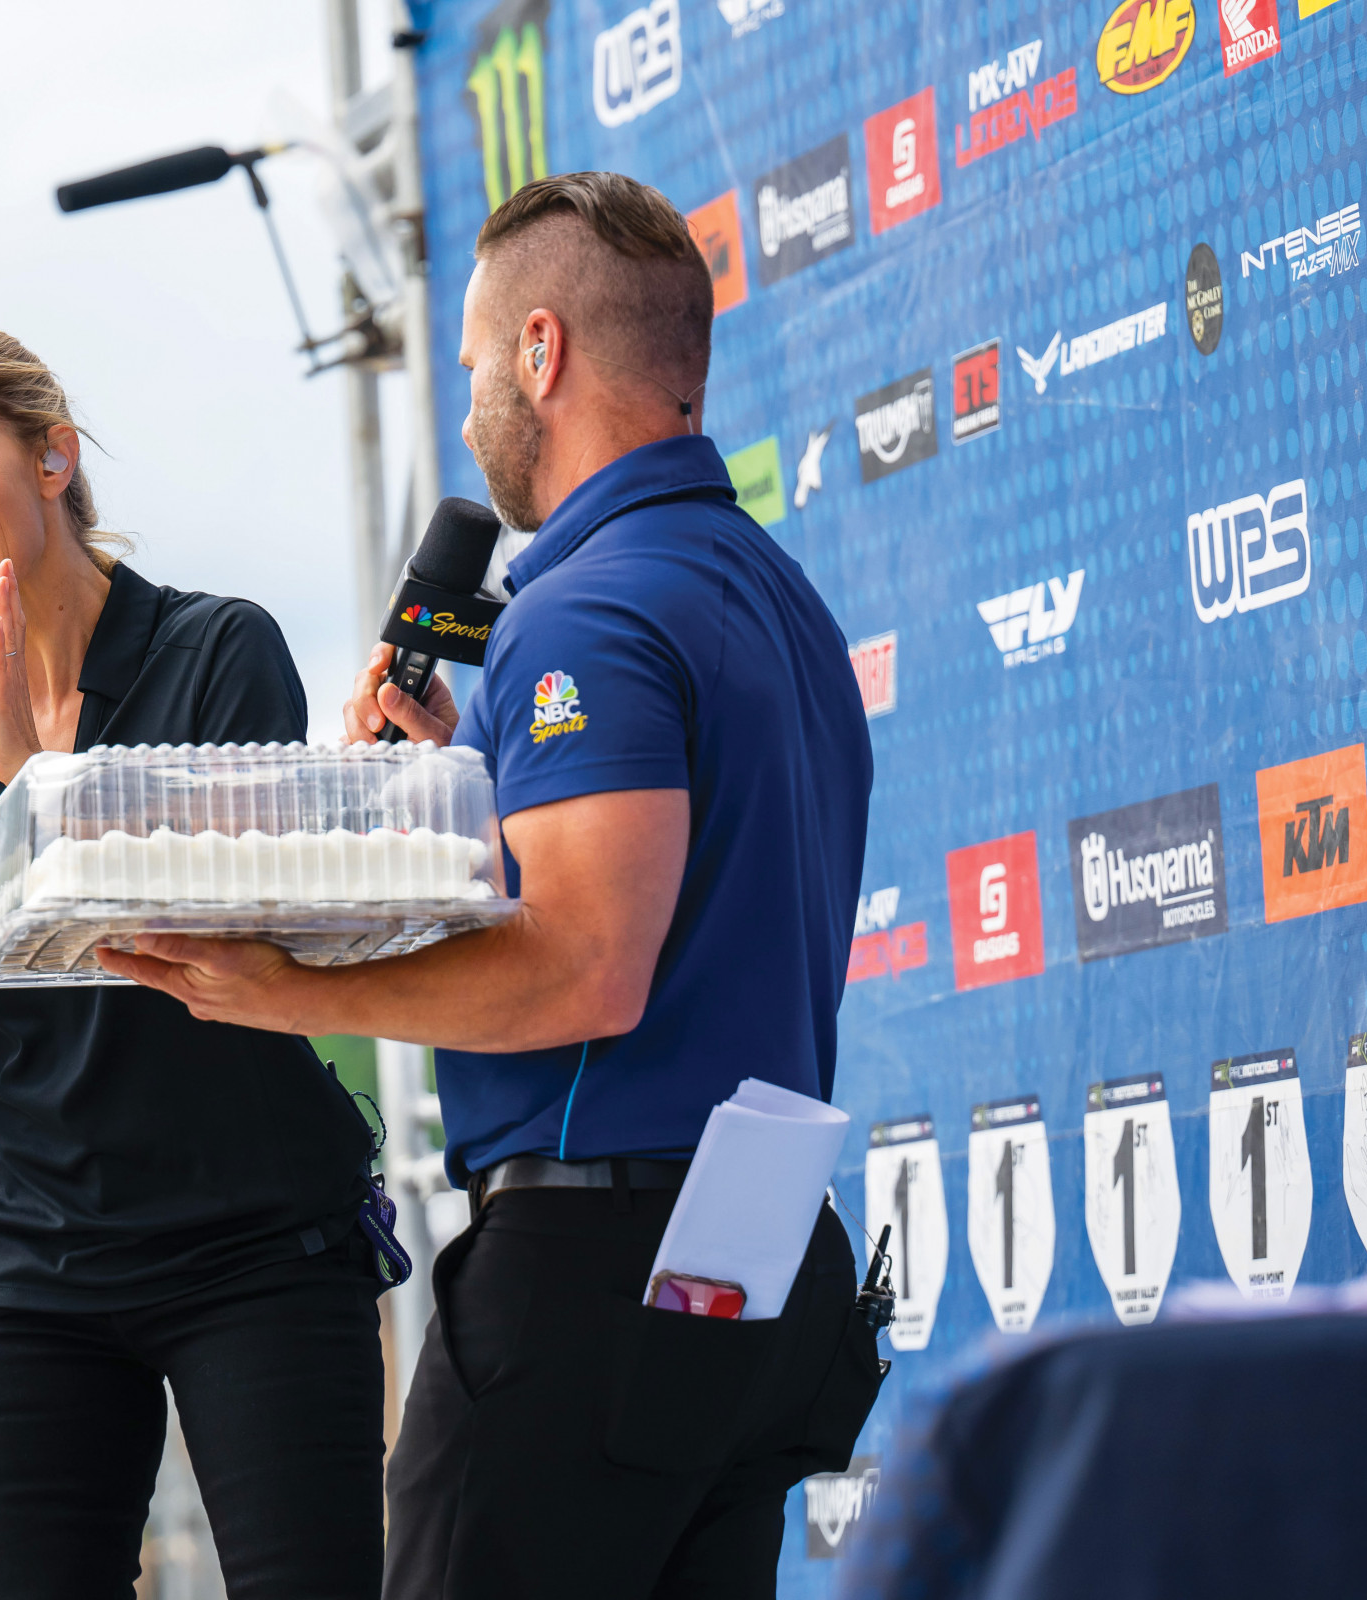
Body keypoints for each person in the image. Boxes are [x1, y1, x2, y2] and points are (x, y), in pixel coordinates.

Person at [100, 173, 878, 1597]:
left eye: (470, 369)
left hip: (601, 1261)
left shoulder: (583, 609)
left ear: (541, 351)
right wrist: (480, 780)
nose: (466, 416)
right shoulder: (779, 598)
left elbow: (590, 966)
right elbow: (681, 894)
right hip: (759, 1247)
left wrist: (290, 987)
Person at [0, 327, 385, 1599]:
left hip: (254, 1245)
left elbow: (214, 940)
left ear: (52, 455)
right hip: (30, 1267)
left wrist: (35, 792)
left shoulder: (221, 651)